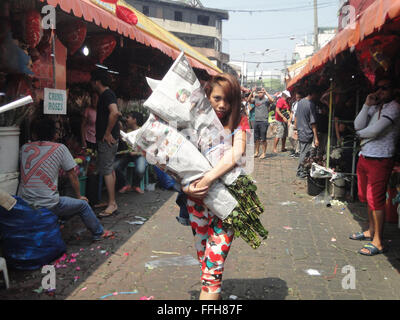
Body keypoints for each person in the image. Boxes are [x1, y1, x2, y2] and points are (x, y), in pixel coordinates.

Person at [182, 73, 249, 300]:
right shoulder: (192, 122)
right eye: (217, 98)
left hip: (227, 204)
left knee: (212, 270)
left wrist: (209, 178)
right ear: (207, 96)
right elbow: (177, 162)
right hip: (197, 204)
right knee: (206, 265)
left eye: (228, 100)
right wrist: (186, 189)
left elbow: (237, 152)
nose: (222, 105)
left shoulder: (240, 121)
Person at [18, 117, 113, 241]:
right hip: (48, 203)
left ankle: (60, 222)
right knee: (83, 205)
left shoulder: (24, 148)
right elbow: (72, 175)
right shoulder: (60, 148)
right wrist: (79, 196)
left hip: (23, 202)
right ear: (54, 134)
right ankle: (98, 233)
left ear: (34, 134)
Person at [350, 77, 400, 256]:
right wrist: (366, 104)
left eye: (384, 88)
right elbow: (358, 124)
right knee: (366, 197)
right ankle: (371, 231)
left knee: (376, 199)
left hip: (380, 158)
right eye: (377, 88)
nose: (380, 92)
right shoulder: (375, 106)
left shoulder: (394, 107)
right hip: (365, 155)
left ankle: (378, 241)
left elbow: (375, 130)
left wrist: (357, 135)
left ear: (394, 90)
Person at [91, 69, 120, 218]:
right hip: (110, 139)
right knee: (110, 169)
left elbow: (115, 113)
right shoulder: (108, 94)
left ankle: (112, 204)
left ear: (97, 82)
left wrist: (107, 133)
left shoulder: (107, 94)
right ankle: (110, 200)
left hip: (107, 140)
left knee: (107, 170)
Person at [115, 111, 147, 194]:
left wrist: (136, 153)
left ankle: (135, 185)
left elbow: (146, 148)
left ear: (134, 120)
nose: (127, 119)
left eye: (128, 117)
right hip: (129, 154)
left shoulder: (142, 131)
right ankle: (125, 185)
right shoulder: (127, 131)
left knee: (140, 169)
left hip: (139, 155)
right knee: (116, 166)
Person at [294, 85, 321, 179]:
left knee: (303, 151)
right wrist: (316, 138)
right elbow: (313, 122)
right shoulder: (310, 104)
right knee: (304, 153)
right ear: (313, 94)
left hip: (301, 131)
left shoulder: (300, 102)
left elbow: (296, 116)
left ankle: (301, 170)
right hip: (307, 132)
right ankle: (300, 171)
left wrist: (296, 128)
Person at [253, 87, 274, 159]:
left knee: (263, 139)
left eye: (261, 92)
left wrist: (266, 92)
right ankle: (256, 152)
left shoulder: (266, 101)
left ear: (263, 93)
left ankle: (264, 153)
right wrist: (251, 92)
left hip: (264, 121)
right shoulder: (256, 100)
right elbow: (249, 100)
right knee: (256, 139)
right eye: (258, 92)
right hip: (256, 121)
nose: (259, 94)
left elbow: (272, 100)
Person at [288, 92, 303, 157]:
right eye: (297, 97)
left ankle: (297, 151)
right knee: (290, 136)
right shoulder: (294, 103)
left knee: (297, 138)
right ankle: (295, 149)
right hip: (293, 122)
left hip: (299, 122)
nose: (297, 98)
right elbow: (292, 112)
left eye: (299, 97)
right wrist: (289, 120)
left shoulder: (302, 104)